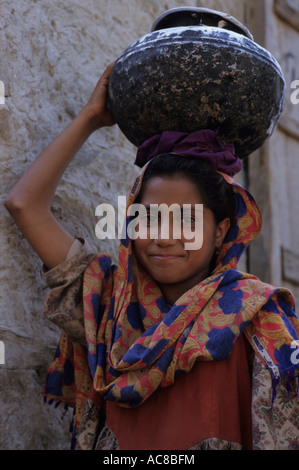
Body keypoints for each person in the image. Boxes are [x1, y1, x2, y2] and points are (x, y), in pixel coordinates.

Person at [4, 64, 299, 451]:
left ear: (221, 231)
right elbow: (24, 204)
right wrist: (90, 118)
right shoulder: (106, 302)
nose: (163, 237)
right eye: (149, 218)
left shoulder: (256, 314)